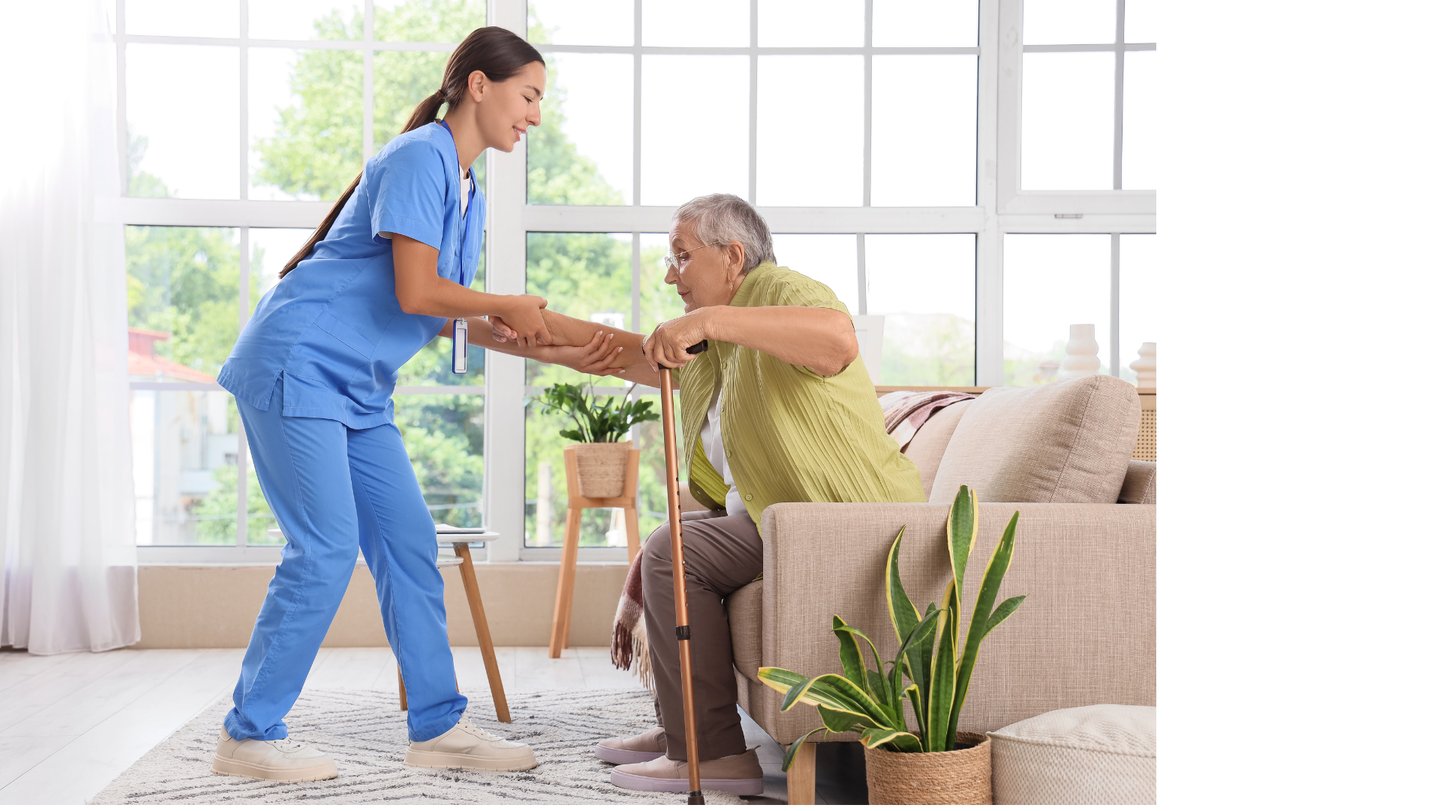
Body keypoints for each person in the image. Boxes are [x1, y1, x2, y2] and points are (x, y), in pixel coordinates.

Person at [211, 26, 552, 782]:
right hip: (298, 365)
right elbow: (417, 289)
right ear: (479, 86)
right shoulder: (419, 156)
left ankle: (438, 729)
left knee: (406, 545)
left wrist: (548, 340)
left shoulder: (469, 190)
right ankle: (248, 733)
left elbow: (442, 313)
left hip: (361, 390)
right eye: (529, 95)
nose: (534, 115)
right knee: (326, 551)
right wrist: (504, 304)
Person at [504, 193, 927, 795]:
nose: (670, 274)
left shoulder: (779, 290)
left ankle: (712, 754)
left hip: (843, 520)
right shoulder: (716, 349)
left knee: (675, 553)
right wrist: (498, 329)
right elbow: (610, 350)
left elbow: (836, 340)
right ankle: (687, 731)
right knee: (673, 543)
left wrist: (707, 321)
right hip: (782, 521)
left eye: (681, 256)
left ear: (733, 257)